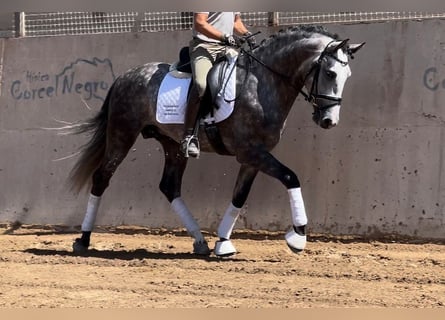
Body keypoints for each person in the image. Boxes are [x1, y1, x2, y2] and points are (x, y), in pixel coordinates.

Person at [180, 12, 256, 158]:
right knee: (201, 85)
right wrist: (224, 37)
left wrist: (246, 33)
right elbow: (200, 23)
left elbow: (236, 22)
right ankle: (188, 136)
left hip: (227, 49)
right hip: (204, 47)